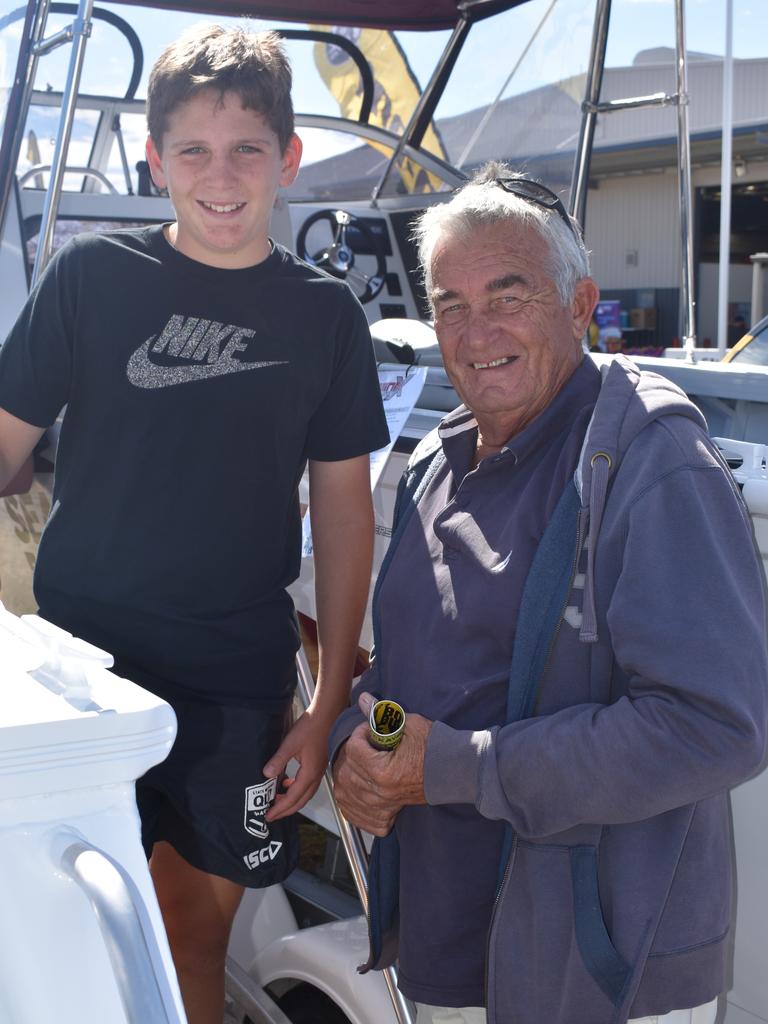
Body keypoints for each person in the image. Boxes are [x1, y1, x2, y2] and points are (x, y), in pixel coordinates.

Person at [0, 24, 388, 1024]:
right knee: (66, 933)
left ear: (288, 160)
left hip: (233, 688)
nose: (223, 176)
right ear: (155, 160)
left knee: (186, 936)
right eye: (195, 152)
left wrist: (325, 700)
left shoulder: (326, 317)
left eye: (248, 149)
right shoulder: (88, 280)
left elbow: (345, 518)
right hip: (79, 679)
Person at [330, 163, 768, 1024]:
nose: (475, 328)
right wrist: (363, 742)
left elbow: (717, 726)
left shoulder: (650, 460)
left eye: (508, 294)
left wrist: (452, 767)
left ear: (578, 306)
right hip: (451, 949)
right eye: (449, 303)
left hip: (596, 977)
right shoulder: (434, 462)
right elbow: (413, 673)